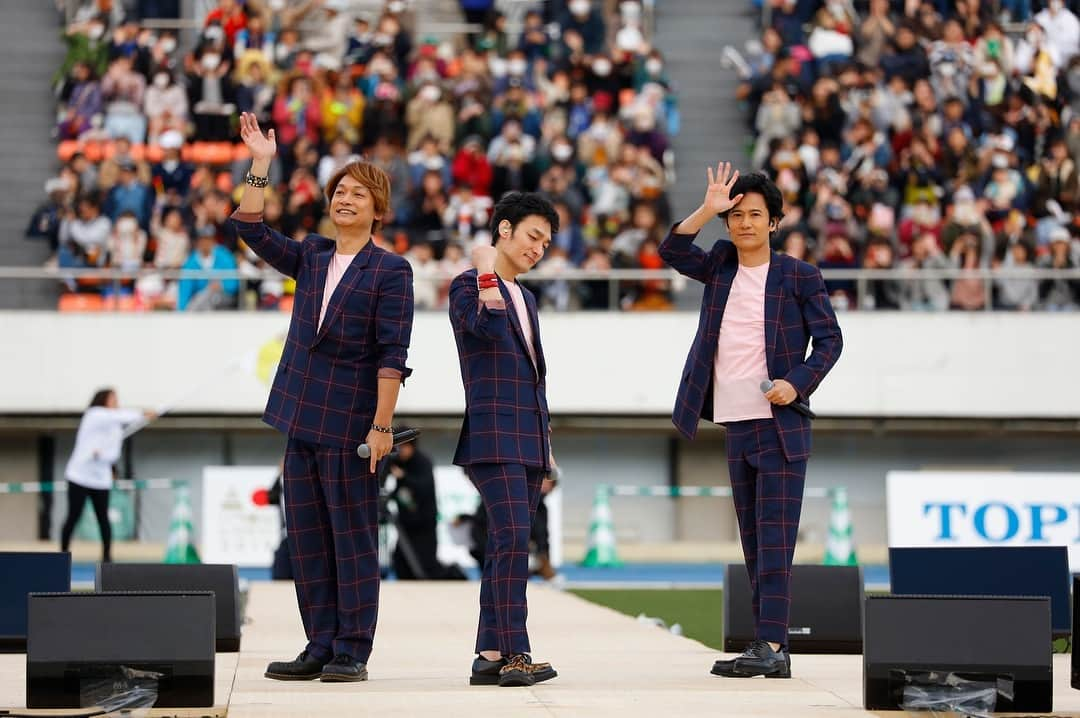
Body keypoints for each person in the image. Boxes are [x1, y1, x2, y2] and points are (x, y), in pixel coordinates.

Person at [228, 112, 414, 683]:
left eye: (359, 193)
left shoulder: (391, 270)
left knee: (352, 540)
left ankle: (352, 649)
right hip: (300, 415)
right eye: (339, 191)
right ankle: (318, 644)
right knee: (306, 540)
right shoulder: (311, 255)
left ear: (378, 211)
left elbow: (392, 354)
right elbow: (251, 227)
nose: (345, 199)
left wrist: (381, 427)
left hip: (353, 424)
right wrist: (262, 163)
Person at [659, 164, 842, 679]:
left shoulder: (799, 275)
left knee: (775, 540)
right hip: (734, 422)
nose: (743, 224)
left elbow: (831, 340)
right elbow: (670, 252)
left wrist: (797, 382)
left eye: (754, 215)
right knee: (753, 542)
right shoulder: (719, 264)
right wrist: (706, 209)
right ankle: (770, 648)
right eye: (736, 216)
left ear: (774, 222)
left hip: (779, 422)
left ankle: (771, 645)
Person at [448, 192, 560, 688]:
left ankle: (489, 653)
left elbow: (534, 377)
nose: (539, 249)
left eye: (547, 243)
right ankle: (517, 652)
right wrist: (485, 270)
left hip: (529, 438)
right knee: (514, 536)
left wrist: (547, 448)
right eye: (533, 236)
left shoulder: (529, 299)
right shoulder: (467, 286)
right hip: (492, 436)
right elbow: (488, 329)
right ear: (505, 229)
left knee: (506, 541)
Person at [60, 388, 154, 563]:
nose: (116, 402)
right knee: (73, 515)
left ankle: (106, 557)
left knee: (103, 517)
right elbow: (117, 416)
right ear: (103, 399)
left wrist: (102, 455)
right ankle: (63, 554)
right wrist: (142, 414)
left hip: (100, 480)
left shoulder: (116, 429)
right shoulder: (94, 415)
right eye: (113, 399)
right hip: (79, 476)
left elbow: (113, 455)